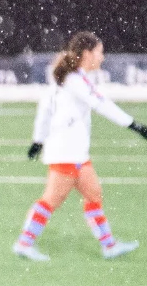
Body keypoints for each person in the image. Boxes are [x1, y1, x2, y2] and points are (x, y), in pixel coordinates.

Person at [13, 31, 147, 261]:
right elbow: (101, 104)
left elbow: (45, 110)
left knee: (93, 193)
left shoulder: (68, 78)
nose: (102, 57)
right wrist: (134, 125)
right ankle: (24, 243)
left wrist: (38, 140)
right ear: (87, 54)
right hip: (66, 152)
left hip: (73, 152)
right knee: (51, 200)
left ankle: (109, 246)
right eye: (99, 52)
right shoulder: (74, 80)